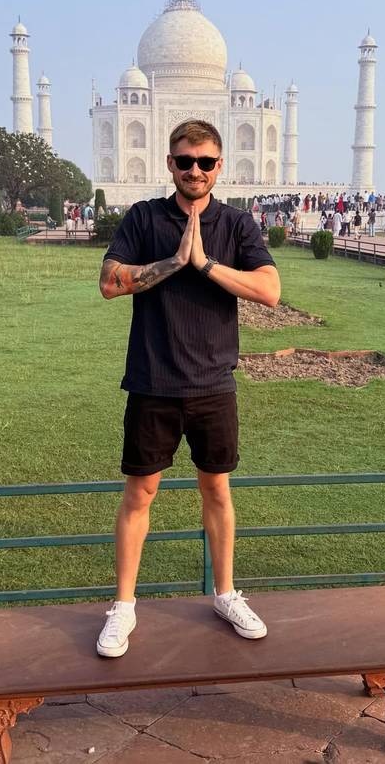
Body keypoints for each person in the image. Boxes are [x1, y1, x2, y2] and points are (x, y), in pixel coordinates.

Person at [96, 118, 280, 658]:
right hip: (153, 380)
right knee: (140, 494)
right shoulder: (144, 218)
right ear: (169, 164)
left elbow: (269, 291)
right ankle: (124, 607)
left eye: (204, 161)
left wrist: (204, 263)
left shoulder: (236, 224)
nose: (194, 170)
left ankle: (225, 594)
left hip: (212, 383)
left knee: (217, 490)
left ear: (220, 166)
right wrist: (173, 262)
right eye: (184, 161)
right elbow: (109, 283)